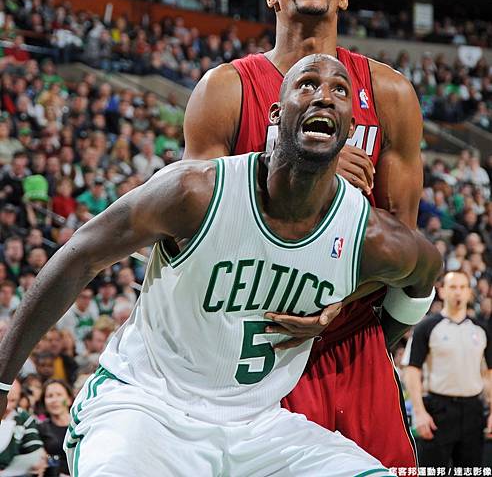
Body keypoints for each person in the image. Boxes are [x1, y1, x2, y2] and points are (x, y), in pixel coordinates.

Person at [0, 56, 440, 476]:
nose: (324, 96)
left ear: (349, 130)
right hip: (146, 409)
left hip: (259, 427)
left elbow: (426, 272)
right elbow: (79, 257)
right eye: (306, 85)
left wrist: (370, 323)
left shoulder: (367, 235)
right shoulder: (196, 192)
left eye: (339, 90)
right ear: (274, 115)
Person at [184, 0, 425, 467]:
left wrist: (337, 295)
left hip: (352, 341)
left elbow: (403, 239)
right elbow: (194, 229)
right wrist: (302, 163)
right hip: (255, 346)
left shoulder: (390, 94)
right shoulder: (224, 90)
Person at [403, 271, 492, 469]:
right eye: (452, 287)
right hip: (438, 410)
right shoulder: (427, 326)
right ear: (442, 291)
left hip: (473, 411)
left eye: (462, 287)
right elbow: (412, 371)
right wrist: (419, 412)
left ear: (469, 292)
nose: (457, 292)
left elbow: (489, 373)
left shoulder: (481, 329)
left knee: (471, 471)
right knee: (433, 471)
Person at [0, 379, 47, 476]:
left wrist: (39, 462)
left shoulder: (23, 417)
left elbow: (35, 449)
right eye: (4, 400)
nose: (7, 406)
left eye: (13, 400)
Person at [38, 380, 72, 477]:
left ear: (69, 399)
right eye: (49, 396)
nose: (54, 400)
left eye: (59, 395)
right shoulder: (41, 428)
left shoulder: (81, 425)